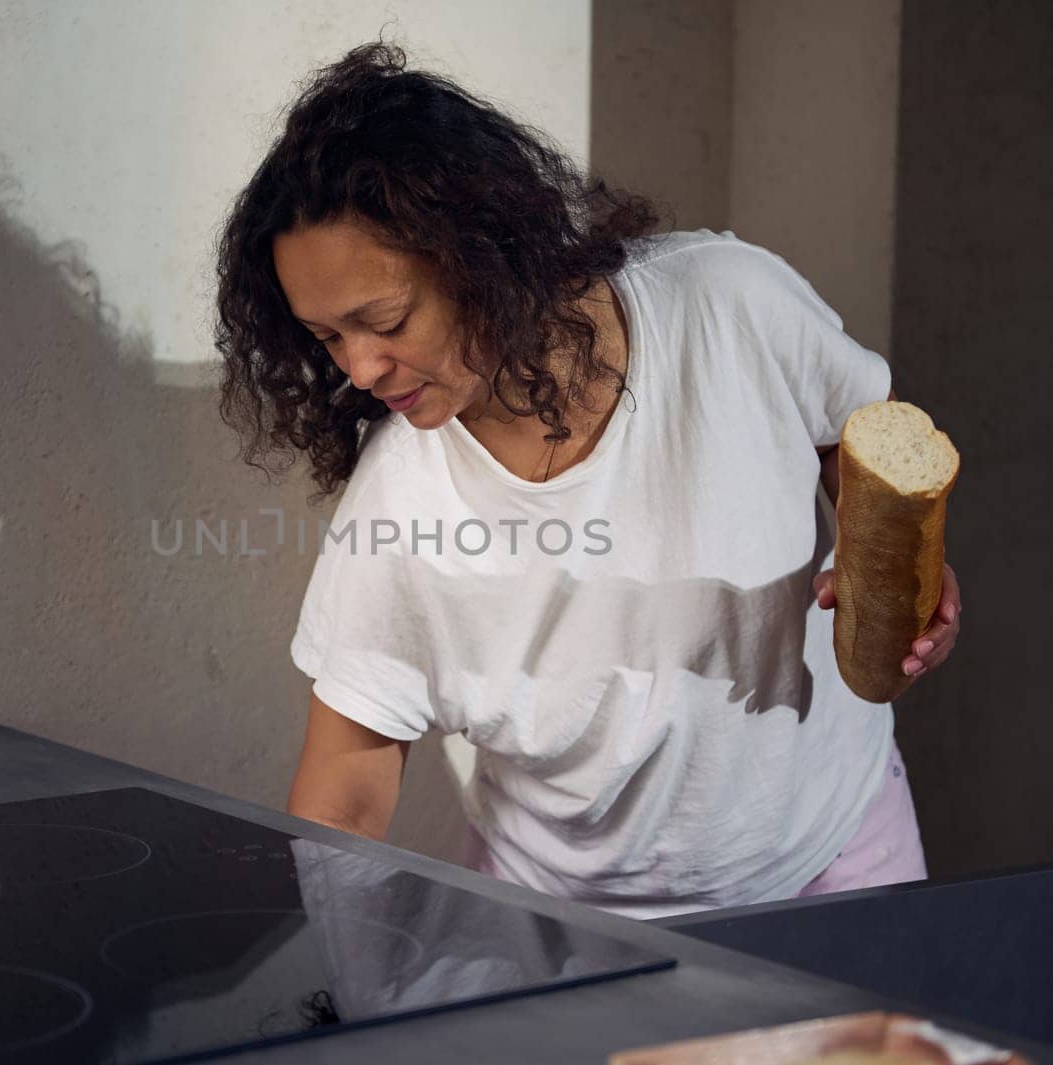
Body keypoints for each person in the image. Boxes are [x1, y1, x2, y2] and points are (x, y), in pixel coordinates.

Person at [213, 43, 962, 918]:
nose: (362, 367)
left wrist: (902, 580)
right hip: (564, 919)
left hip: (835, 849)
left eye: (383, 321)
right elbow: (347, 772)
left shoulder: (730, 303)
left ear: (478, 255)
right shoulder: (401, 501)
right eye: (328, 337)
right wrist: (337, 972)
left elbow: (860, 432)